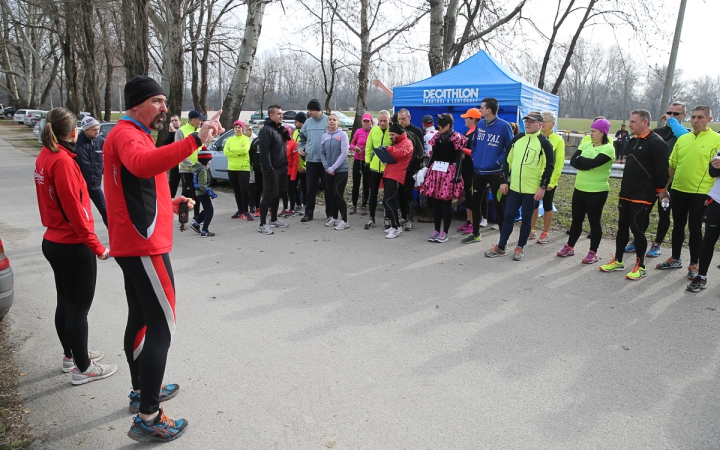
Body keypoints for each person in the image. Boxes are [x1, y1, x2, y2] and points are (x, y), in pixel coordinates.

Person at [103, 75, 223, 442]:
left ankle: (142, 391)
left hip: (137, 240)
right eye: (157, 101)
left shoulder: (134, 134)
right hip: (144, 245)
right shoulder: (126, 133)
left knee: (141, 319)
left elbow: (136, 181)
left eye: (165, 101)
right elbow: (142, 166)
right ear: (136, 104)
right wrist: (195, 139)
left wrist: (170, 203)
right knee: (162, 325)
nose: (164, 108)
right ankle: (149, 415)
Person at [34, 107, 115, 385]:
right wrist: (97, 246)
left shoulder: (46, 155)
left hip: (55, 241)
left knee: (66, 303)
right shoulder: (63, 162)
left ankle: (72, 356)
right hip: (71, 244)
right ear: (72, 131)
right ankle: (84, 368)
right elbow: (75, 212)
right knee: (79, 308)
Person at [599, 109, 669, 281]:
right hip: (626, 193)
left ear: (645, 122)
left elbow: (662, 173)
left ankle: (640, 266)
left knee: (637, 229)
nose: (629, 124)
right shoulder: (632, 141)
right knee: (622, 227)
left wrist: (659, 191)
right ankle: (618, 261)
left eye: (633, 121)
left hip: (643, 195)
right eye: (630, 121)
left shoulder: (656, 143)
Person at [656, 106, 720, 278]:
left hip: (702, 192)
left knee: (695, 228)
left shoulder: (717, 139)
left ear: (709, 119)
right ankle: (675, 258)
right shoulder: (683, 139)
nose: (696, 120)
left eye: (700, 117)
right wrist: (664, 189)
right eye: (693, 117)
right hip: (678, 189)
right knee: (678, 226)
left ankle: (694, 264)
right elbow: (672, 165)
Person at [485, 112, 555, 261]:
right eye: (526, 121)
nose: (528, 123)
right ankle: (502, 246)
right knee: (508, 217)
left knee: (526, 220)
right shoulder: (517, 138)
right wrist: (504, 181)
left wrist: (542, 187)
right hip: (514, 188)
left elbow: (550, 166)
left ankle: (520, 247)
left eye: (532, 121)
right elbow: (507, 161)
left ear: (540, 125)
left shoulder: (545, 143)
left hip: (531, 190)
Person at [633, 101, 689, 257]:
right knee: (644, 211)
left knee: (664, 213)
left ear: (684, 116)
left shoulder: (686, 135)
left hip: (670, 182)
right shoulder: (657, 132)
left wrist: (671, 121)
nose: (671, 116)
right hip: (651, 181)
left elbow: (683, 136)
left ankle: (657, 244)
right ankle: (638, 239)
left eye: (675, 114)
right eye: (669, 113)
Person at [556, 118, 614, 263]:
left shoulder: (608, 148)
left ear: (602, 132)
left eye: (593, 131)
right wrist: (586, 164)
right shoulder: (586, 143)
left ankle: (592, 252)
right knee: (576, 220)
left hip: (597, 191)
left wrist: (585, 162)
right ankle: (570, 246)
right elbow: (574, 161)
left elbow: (594, 162)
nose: (591, 134)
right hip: (579, 188)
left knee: (594, 222)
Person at [463, 97, 514, 244]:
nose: (480, 110)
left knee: (499, 205)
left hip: (495, 173)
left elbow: (510, 148)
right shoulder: (480, 125)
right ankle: (476, 233)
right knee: (475, 203)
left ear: (489, 110)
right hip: (479, 171)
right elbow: (474, 145)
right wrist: (475, 159)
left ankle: (502, 239)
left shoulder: (504, 126)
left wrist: (498, 161)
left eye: (482, 108)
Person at [421, 113, 467, 243]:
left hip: (449, 173)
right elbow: (433, 156)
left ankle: (445, 232)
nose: (438, 127)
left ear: (448, 125)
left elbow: (459, 158)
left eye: (441, 125)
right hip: (436, 172)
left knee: (447, 205)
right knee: (435, 204)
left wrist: (458, 175)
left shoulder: (456, 138)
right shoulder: (436, 137)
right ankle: (436, 229)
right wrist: (425, 169)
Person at [529, 111, 565, 244]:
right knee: (533, 204)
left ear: (552, 124)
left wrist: (552, 181)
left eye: (544, 121)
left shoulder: (558, 140)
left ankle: (545, 232)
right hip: (534, 177)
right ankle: (531, 230)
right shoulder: (535, 136)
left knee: (548, 205)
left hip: (549, 179)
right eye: (540, 121)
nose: (542, 123)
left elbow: (559, 162)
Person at [688, 150, 720, 291]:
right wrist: (714, 166)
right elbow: (713, 172)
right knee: (709, 239)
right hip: (717, 199)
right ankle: (701, 277)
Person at [257, 105, 290, 235]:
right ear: (271, 116)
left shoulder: (279, 129)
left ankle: (274, 219)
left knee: (277, 194)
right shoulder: (266, 130)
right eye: (279, 114)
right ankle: (262, 224)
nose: (281, 116)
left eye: (282, 114)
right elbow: (264, 152)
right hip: (271, 169)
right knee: (268, 195)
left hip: (282, 167)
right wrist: (269, 169)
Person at [382, 122, 415, 238]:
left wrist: (389, 149)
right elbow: (394, 154)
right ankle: (394, 225)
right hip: (389, 173)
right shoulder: (396, 143)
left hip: (396, 175)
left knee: (387, 201)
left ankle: (396, 228)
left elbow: (402, 153)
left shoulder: (407, 142)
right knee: (389, 202)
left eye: (393, 134)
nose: (391, 137)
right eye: (390, 135)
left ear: (399, 133)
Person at [298, 99, 329, 222]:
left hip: (325, 161)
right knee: (310, 188)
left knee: (328, 188)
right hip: (311, 160)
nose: (309, 113)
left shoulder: (328, 120)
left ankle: (330, 214)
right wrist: (300, 148)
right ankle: (308, 213)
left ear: (317, 110)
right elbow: (302, 139)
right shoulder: (307, 123)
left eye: (311, 110)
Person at [175, 110, 205, 230]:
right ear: (193, 120)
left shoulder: (200, 131)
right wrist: (191, 166)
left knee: (197, 194)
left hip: (199, 169)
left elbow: (203, 149)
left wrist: (205, 163)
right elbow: (179, 151)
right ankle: (181, 219)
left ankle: (196, 218)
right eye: (200, 119)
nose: (201, 122)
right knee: (187, 195)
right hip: (186, 169)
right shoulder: (181, 131)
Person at [76, 116, 108, 227]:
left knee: (106, 211)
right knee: (81, 214)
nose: (97, 131)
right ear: (85, 130)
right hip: (79, 187)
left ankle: (115, 238)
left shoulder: (102, 142)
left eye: (98, 128)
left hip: (95, 185)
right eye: (94, 129)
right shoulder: (76, 143)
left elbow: (107, 160)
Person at [396, 108, 425, 231]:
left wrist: (417, 167)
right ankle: (403, 216)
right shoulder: (398, 129)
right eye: (400, 119)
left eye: (404, 118)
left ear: (409, 117)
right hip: (399, 168)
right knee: (400, 193)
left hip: (411, 168)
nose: (402, 121)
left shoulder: (417, 130)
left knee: (408, 193)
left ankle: (410, 219)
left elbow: (420, 151)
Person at [321, 114, 351, 230]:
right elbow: (322, 152)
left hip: (340, 170)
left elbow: (344, 153)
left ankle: (345, 220)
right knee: (331, 194)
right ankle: (334, 217)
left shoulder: (342, 134)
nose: (332, 121)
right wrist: (327, 167)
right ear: (327, 122)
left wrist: (333, 168)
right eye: (330, 120)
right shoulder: (325, 136)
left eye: (334, 120)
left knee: (337, 194)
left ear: (338, 122)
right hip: (329, 170)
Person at [363, 110, 392, 230]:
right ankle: (371, 218)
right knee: (373, 193)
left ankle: (387, 218)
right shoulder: (374, 131)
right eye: (380, 121)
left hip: (388, 168)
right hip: (374, 167)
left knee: (388, 195)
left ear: (389, 120)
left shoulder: (393, 130)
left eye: (385, 121)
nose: (383, 123)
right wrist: (367, 162)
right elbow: (369, 147)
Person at [457, 108, 481, 235]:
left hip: (473, 169)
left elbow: (477, 153)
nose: (465, 120)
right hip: (465, 168)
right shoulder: (467, 132)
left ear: (473, 119)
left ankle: (473, 223)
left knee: (472, 197)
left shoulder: (478, 133)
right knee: (467, 195)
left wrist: (462, 149)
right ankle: (468, 221)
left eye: (467, 118)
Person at [224, 120, 253, 220]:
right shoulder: (229, 139)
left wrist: (232, 150)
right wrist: (237, 152)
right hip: (231, 168)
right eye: (236, 127)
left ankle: (246, 211)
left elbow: (244, 150)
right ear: (233, 129)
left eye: (239, 127)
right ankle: (240, 210)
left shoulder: (246, 139)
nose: (237, 129)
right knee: (236, 191)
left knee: (244, 190)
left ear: (242, 129)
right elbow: (225, 152)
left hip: (243, 168)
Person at [189, 150, 217, 237]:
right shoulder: (203, 170)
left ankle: (196, 223)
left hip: (199, 193)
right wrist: (211, 193)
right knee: (210, 211)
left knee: (206, 209)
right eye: (209, 161)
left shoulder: (197, 167)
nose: (210, 162)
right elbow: (202, 185)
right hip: (202, 193)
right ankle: (204, 231)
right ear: (206, 161)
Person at [349, 113, 372, 215]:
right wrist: (354, 148)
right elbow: (352, 144)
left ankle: (363, 205)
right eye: (364, 121)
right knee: (356, 184)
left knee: (366, 184)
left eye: (368, 121)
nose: (366, 123)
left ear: (371, 122)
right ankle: (353, 205)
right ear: (362, 122)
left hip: (368, 161)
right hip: (358, 160)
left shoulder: (373, 132)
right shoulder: (358, 131)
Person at [418, 115, 438, 224]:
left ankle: (430, 214)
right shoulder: (438, 133)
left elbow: (426, 154)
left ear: (423, 124)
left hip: (429, 165)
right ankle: (435, 212)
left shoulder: (426, 136)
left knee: (429, 190)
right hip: (439, 166)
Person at [280, 125, 299, 218]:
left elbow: (296, 161)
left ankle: (292, 209)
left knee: (290, 191)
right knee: (282, 191)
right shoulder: (280, 142)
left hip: (290, 171)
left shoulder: (293, 143)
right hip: (281, 171)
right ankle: (285, 208)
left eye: (285, 131)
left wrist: (293, 175)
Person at [163, 115, 182, 197]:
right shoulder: (170, 133)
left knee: (187, 185)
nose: (174, 122)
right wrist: (171, 133)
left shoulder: (182, 131)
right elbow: (165, 143)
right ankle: (169, 200)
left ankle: (185, 202)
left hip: (185, 162)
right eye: (172, 121)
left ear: (179, 122)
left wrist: (175, 132)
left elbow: (181, 143)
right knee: (172, 183)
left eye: (175, 120)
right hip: (175, 162)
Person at [293, 112, 308, 212]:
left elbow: (310, 149)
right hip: (295, 165)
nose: (294, 123)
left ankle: (306, 205)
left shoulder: (307, 132)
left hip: (304, 165)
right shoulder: (295, 132)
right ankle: (298, 203)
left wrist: (305, 166)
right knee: (293, 185)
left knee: (305, 186)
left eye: (296, 121)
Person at [249, 122, 264, 216]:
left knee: (268, 189)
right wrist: (254, 164)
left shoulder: (271, 140)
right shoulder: (255, 141)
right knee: (258, 189)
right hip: (258, 169)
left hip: (268, 169)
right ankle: (257, 208)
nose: (261, 131)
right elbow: (251, 154)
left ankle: (270, 207)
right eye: (260, 129)